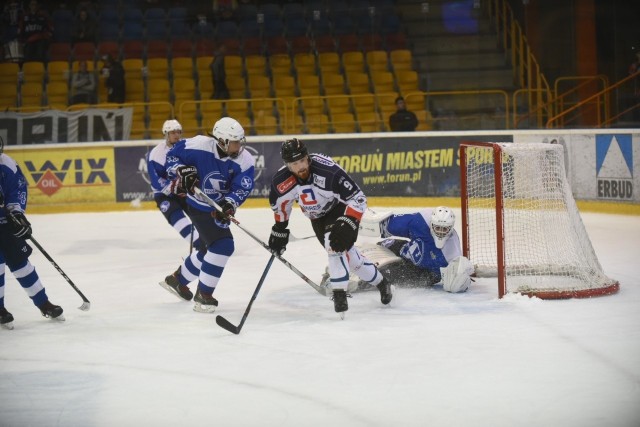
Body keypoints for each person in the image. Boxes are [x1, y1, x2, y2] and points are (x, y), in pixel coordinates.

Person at [267, 138, 393, 316]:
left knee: (333, 246)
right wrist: (280, 229)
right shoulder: (281, 182)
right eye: (295, 163)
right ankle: (382, 283)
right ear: (287, 165)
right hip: (316, 219)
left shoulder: (328, 171)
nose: (301, 166)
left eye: (303, 160)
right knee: (352, 260)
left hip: (340, 209)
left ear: (307, 157)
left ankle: (339, 294)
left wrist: (349, 221)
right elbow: (281, 206)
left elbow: (358, 198)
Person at [158, 117, 255, 313]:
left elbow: (242, 188)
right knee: (222, 245)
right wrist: (181, 170)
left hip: (217, 207)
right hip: (197, 205)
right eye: (235, 142)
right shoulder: (198, 145)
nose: (239, 146)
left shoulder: (245, 160)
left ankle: (177, 281)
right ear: (221, 141)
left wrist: (230, 203)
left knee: (206, 250)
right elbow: (172, 158)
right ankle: (204, 295)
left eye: (240, 140)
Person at [0, 136, 64, 330]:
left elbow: (17, 188)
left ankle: (43, 303)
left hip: (5, 222)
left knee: (20, 262)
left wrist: (17, 213)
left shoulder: (6, 163)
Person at [342, 207, 474, 294]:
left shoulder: (451, 253)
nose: (440, 232)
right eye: (437, 228)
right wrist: (355, 222)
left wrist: (462, 276)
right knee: (381, 245)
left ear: (450, 228)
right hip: (405, 251)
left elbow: (455, 279)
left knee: (389, 274)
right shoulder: (419, 221)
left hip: (423, 273)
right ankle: (350, 262)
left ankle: (359, 281)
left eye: (444, 229)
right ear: (431, 223)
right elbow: (384, 225)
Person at [147, 119, 201, 263]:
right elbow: (155, 181)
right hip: (164, 195)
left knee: (199, 215)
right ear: (166, 134)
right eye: (172, 132)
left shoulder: (186, 148)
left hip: (183, 191)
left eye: (178, 132)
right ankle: (199, 244)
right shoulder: (156, 154)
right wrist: (173, 188)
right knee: (177, 218)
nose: (176, 135)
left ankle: (208, 240)